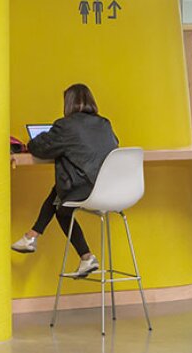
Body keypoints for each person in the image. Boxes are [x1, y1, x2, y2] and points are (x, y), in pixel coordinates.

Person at [13, 82, 118, 276]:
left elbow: (39, 148)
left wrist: (36, 139)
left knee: (63, 205)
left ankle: (34, 237)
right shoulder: (105, 123)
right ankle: (34, 238)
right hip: (114, 190)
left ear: (68, 103)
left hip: (86, 190)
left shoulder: (66, 125)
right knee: (61, 194)